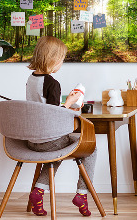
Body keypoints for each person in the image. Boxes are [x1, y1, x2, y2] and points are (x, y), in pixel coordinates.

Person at [26, 36, 96, 217]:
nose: (61, 63)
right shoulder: (52, 83)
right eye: (62, 59)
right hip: (49, 140)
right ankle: (82, 194)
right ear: (53, 59)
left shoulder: (31, 79)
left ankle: (38, 192)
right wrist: (71, 102)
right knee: (91, 148)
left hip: (32, 140)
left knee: (56, 151)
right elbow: (54, 115)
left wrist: (66, 103)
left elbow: (43, 108)